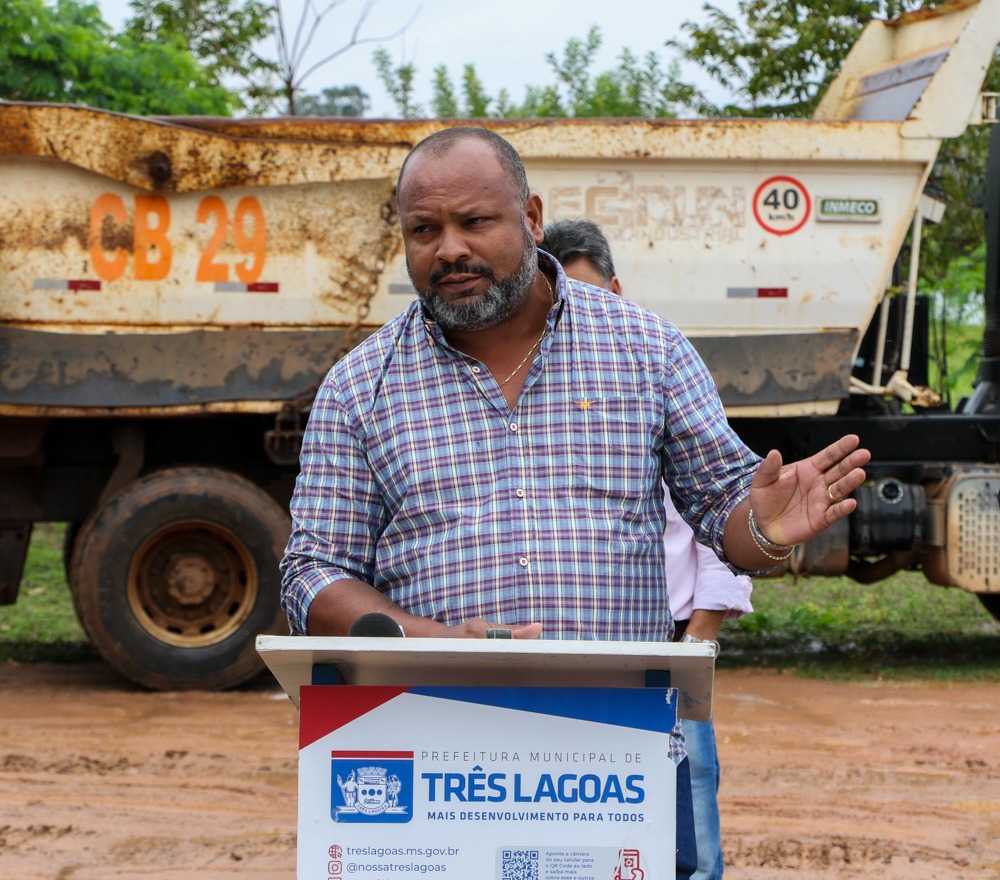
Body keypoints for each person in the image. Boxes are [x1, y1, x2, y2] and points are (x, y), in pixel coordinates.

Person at [279, 126, 869, 878]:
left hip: (614, 759)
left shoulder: (646, 349)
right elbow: (312, 570)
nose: (450, 249)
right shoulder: (360, 385)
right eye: (424, 230)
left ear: (530, 217)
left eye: (474, 221)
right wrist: (433, 640)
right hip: (432, 765)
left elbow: (727, 511)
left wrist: (764, 525)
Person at [541, 218, 752, 880]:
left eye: (588, 294)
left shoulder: (653, 384)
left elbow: (718, 514)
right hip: (569, 668)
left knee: (691, 842)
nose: (573, 312)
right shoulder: (533, 413)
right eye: (557, 300)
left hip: (663, 661)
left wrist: (693, 645)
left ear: (617, 292)